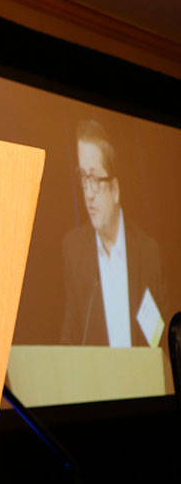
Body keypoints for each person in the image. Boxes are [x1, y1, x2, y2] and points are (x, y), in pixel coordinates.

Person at [60, 119, 165, 346]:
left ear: (116, 189)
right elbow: (70, 338)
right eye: (83, 178)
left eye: (95, 178)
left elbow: (161, 340)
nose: (88, 193)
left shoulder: (148, 253)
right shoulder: (74, 250)